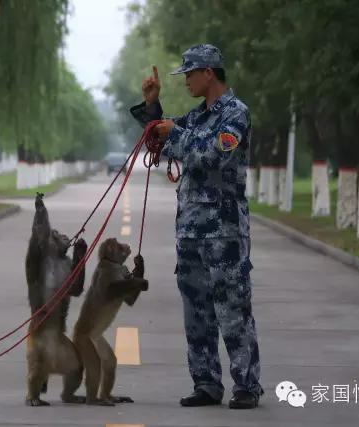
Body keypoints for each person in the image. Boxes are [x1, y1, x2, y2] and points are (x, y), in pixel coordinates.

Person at [130, 44, 263, 409]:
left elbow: (214, 154)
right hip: (190, 231)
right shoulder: (198, 116)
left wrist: (174, 134)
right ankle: (206, 383)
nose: (186, 80)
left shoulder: (235, 114)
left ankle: (247, 385)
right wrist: (154, 110)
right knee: (197, 313)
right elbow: (163, 136)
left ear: (209, 73)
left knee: (232, 310)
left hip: (224, 233)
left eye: (190, 73)